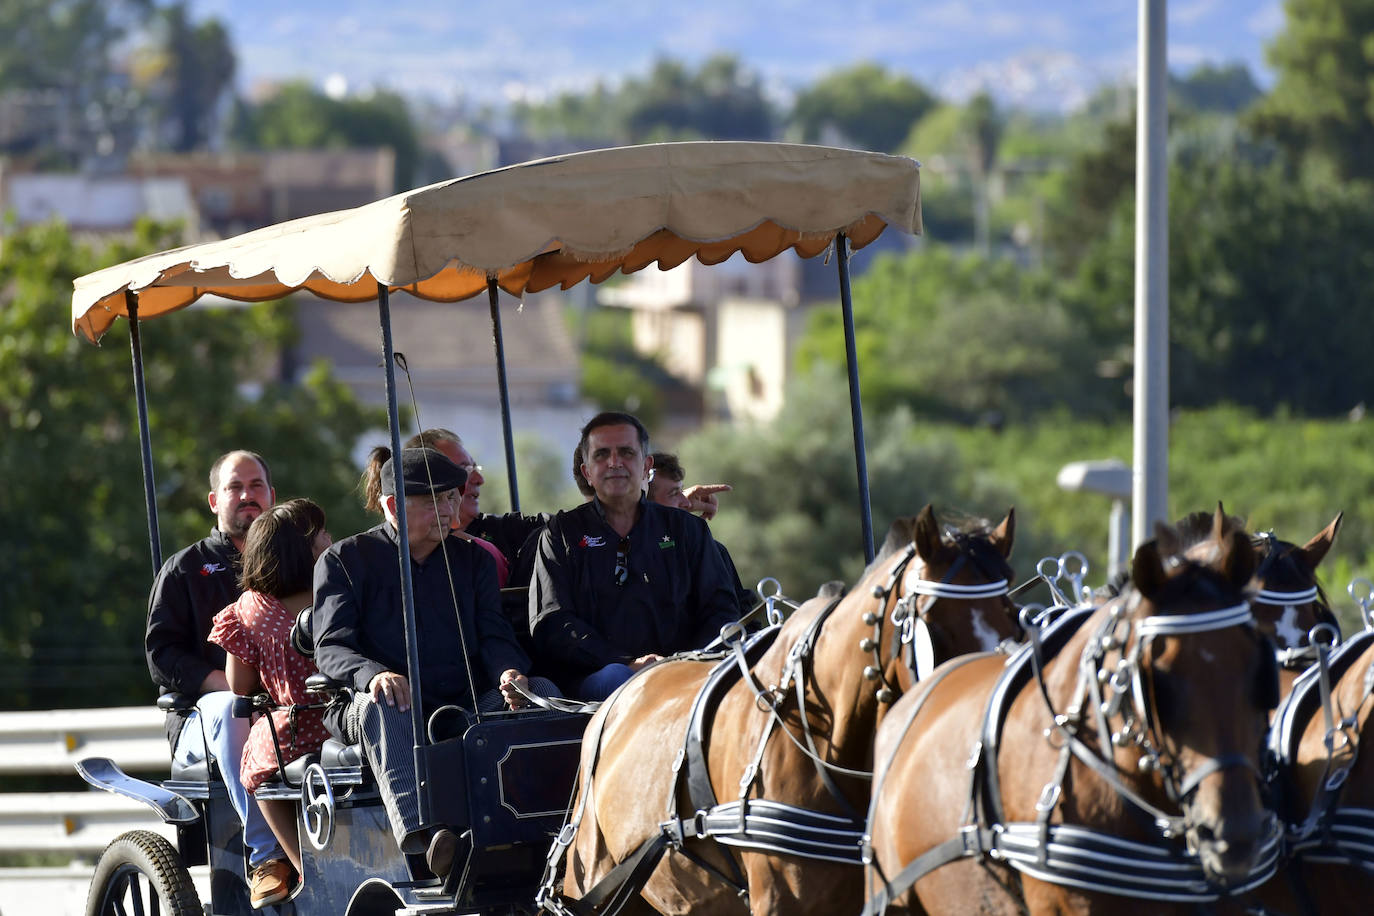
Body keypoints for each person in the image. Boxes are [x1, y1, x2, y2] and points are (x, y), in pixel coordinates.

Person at [313, 447, 558, 879]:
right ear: (392, 506)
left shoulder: (474, 561)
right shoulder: (344, 561)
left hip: (464, 703)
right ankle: (427, 839)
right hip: (374, 706)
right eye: (432, 502)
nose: (448, 510)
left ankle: (553, 828)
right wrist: (374, 675)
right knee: (385, 703)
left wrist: (508, 673)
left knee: (543, 694)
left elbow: (494, 635)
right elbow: (331, 647)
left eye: (450, 498)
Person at [145, 450, 288, 905]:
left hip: (284, 705)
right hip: (200, 717)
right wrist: (224, 684)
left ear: (271, 495)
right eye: (235, 487)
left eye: (256, 486)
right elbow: (160, 653)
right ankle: (266, 853)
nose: (248, 496)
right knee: (234, 707)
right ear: (214, 499)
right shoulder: (185, 568)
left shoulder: (299, 564)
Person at [529, 413, 742, 700]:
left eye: (627, 453)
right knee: (621, 679)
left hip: (687, 677)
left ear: (646, 466)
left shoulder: (688, 530)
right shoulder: (561, 534)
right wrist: (625, 662)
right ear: (587, 471)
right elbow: (552, 623)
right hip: (598, 683)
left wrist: (687, 663)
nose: (614, 462)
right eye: (602, 454)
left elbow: (721, 609)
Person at [208, 499, 333, 904]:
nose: (331, 540)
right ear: (306, 549)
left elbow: (239, 685)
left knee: (256, 771)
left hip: (294, 731)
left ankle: (299, 864)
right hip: (345, 726)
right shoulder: (337, 591)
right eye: (322, 535)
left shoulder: (250, 608)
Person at [647, 452, 755, 612]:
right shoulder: (630, 551)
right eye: (673, 494)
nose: (686, 502)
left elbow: (741, 615)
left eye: (681, 491)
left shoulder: (712, 549)